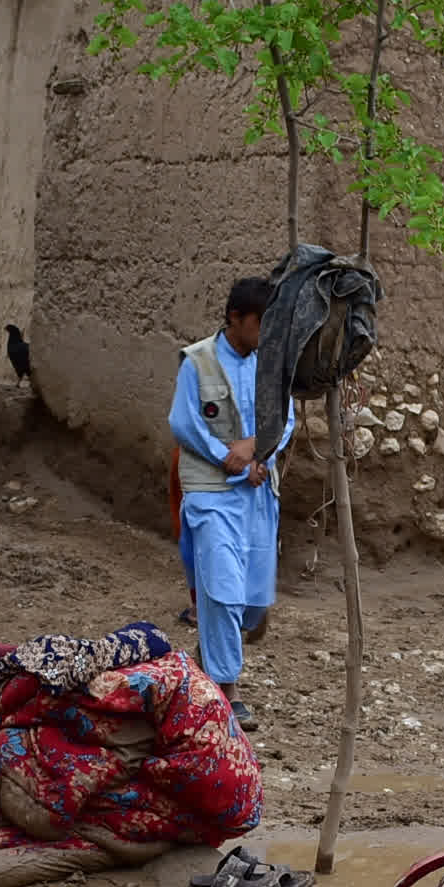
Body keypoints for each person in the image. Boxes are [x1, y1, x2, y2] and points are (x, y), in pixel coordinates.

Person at [170, 275, 290, 729]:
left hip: (258, 494)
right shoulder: (196, 362)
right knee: (222, 590)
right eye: (260, 323)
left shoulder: (272, 363)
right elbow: (184, 424)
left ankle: (212, 651)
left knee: (253, 602)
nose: (265, 333)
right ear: (235, 319)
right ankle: (227, 691)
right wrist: (229, 457)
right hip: (212, 492)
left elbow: (287, 417)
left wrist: (261, 452)